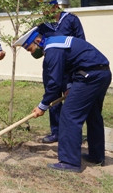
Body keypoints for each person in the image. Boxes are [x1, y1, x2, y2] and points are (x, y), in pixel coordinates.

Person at [14, 27, 111, 172]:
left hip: (88, 77)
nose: (32, 53)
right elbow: (67, 68)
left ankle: (70, 162)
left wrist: (42, 106)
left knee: (69, 116)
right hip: (101, 73)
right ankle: (97, 156)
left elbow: (54, 83)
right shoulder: (57, 43)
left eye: (30, 49)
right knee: (93, 114)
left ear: (38, 41)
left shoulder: (52, 50)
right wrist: (70, 86)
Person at [36, 0, 86, 143]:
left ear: (56, 7)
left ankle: (72, 134)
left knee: (71, 99)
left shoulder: (71, 20)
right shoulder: (42, 26)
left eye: (47, 10)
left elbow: (81, 43)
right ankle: (56, 132)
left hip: (70, 68)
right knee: (53, 98)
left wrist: (74, 74)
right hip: (52, 67)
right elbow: (38, 47)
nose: (45, 13)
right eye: (43, 11)